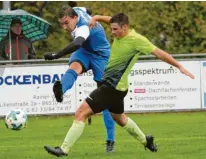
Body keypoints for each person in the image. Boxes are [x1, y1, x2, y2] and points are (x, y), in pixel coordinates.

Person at [43, 13, 195, 157]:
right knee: (120, 119)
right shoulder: (121, 28)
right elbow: (111, 20)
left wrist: (179, 66)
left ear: (125, 28)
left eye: (115, 29)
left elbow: (159, 53)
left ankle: (63, 149)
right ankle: (146, 141)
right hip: (119, 88)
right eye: (111, 28)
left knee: (81, 113)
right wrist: (96, 17)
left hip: (111, 86)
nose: (112, 32)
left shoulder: (137, 40)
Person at [44, 5, 116, 152]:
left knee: (106, 98)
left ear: (75, 18)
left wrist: (56, 55)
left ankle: (110, 139)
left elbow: (77, 43)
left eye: (66, 23)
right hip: (85, 51)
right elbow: (87, 8)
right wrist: (91, 13)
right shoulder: (77, 10)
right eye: (62, 24)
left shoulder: (82, 28)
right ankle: (61, 90)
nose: (65, 27)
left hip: (101, 55)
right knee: (74, 68)